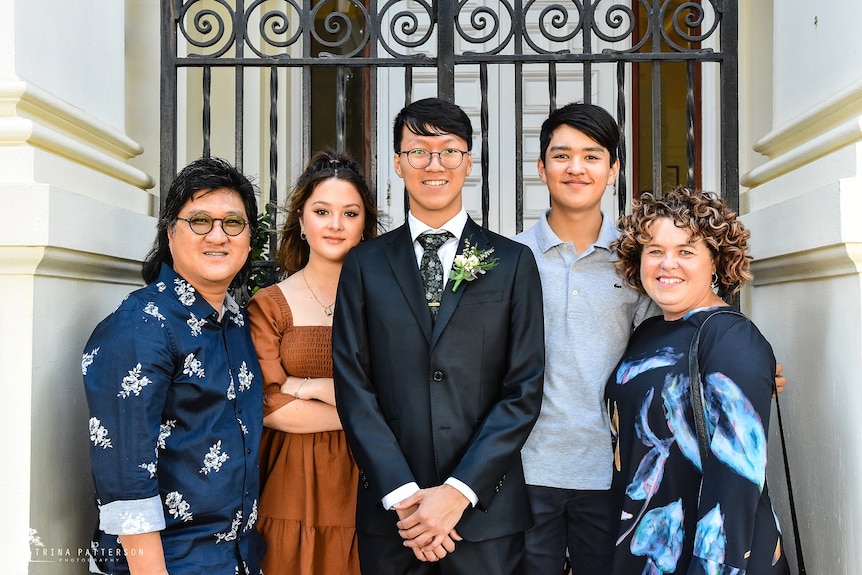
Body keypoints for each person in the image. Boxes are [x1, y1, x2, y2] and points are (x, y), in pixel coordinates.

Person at [332, 97, 546, 574]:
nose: (435, 164)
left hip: (485, 513)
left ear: (467, 162)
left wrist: (458, 491)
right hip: (394, 517)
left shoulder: (512, 264)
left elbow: (524, 389)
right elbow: (353, 385)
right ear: (397, 162)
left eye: (449, 151)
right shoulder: (364, 265)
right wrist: (405, 496)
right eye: (418, 151)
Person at [81, 157, 265, 575]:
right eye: (200, 220)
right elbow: (125, 483)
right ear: (170, 233)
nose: (218, 235)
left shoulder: (234, 320)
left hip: (236, 559)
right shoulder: (140, 327)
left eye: (233, 223)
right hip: (169, 564)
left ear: (249, 238)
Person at [605, 186, 789, 574]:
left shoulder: (732, 339)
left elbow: (737, 482)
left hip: (706, 558)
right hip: (648, 545)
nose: (667, 263)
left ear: (716, 261)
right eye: (654, 251)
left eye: (685, 251)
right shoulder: (648, 332)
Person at [513, 102, 658, 574]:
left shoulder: (637, 263)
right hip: (523, 468)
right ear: (541, 167)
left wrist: (734, 364)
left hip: (611, 467)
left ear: (613, 169)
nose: (576, 168)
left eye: (592, 156)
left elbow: (670, 341)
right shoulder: (508, 258)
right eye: (562, 155)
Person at [246, 150, 379, 575]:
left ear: (364, 226)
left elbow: (404, 396)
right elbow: (269, 407)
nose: (335, 224)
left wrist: (304, 386)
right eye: (322, 211)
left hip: (373, 475)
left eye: (350, 213)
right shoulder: (269, 305)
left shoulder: (388, 305)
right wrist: (366, 411)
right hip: (294, 477)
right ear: (301, 221)